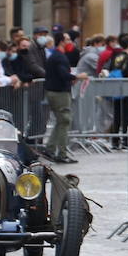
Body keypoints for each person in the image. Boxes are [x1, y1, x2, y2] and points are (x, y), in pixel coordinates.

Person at [43, 31, 79, 164]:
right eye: (68, 39)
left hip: (55, 91)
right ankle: (62, 153)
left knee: (60, 121)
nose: (70, 42)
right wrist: (76, 77)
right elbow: (63, 74)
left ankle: (50, 148)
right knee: (65, 120)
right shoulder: (59, 57)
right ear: (62, 41)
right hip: (60, 93)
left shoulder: (56, 56)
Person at [105, 34, 128, 148]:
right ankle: (126, 140)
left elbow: (110, 70)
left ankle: (115, 140)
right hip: (127, 90)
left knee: (117, 115)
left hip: (116, 89)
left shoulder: (116, 56)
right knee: (127, 116)